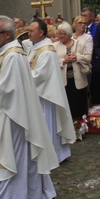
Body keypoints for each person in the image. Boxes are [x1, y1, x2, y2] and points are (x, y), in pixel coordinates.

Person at [0, 15, 59, 199]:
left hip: (12, 116)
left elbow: (10, 91)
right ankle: (35, 195)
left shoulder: (12, 55)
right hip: (16, 113)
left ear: (6, 34)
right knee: (25, 157)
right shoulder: (10, 52)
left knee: (14, 156)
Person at [27, 19, 76, 163]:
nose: (28, 33)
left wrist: (22, 76)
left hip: (45, 96)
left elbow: (40, 75)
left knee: (47, 126)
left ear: (41, 33)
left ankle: (52, 155)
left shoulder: (47, 50)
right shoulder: (35, 47)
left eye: (31, 30)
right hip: (37, 94)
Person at [55, 21, 91, 125]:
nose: (60, 36)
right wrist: (64, 61)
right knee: (67, 105)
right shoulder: (55, 46)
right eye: (59, 33)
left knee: (80, 104)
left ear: (69, 33)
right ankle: (69, 127)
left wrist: (78, 57)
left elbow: (88, 58)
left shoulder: (80, 44)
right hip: (63, 82)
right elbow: (51, 63)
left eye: (63, 34)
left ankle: (81, 126)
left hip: (79, 80)